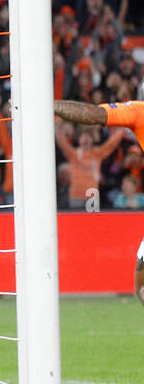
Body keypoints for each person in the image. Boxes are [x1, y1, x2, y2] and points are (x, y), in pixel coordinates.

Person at [53, 98, 144, 304]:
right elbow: (94, 117)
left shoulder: (97, 152)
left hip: (90, 199)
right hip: (76, 199)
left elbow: (97, 119)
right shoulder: (76, 154)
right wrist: (57, 119)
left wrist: (51, 106)